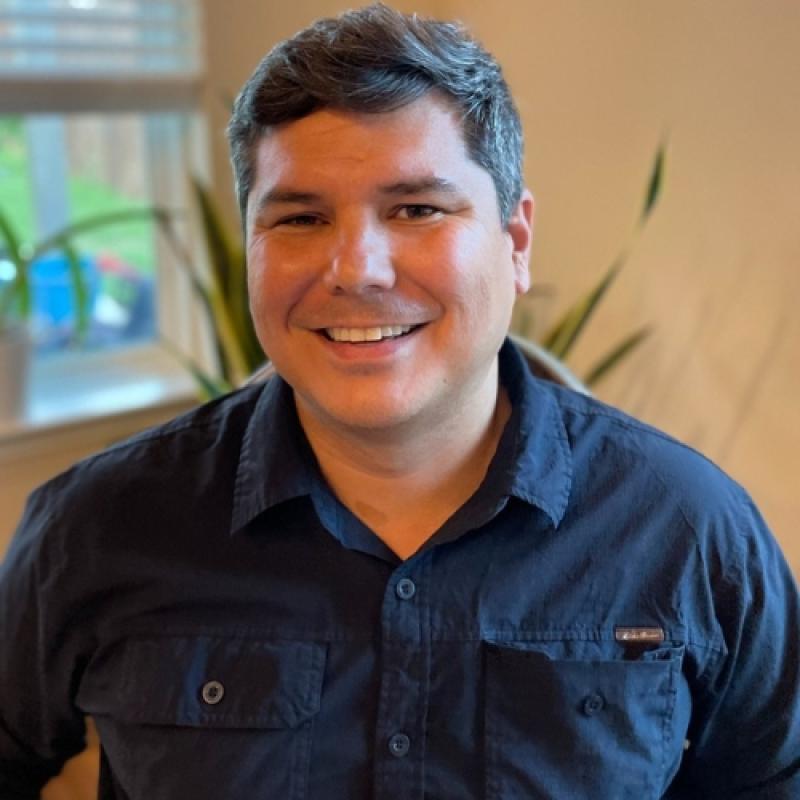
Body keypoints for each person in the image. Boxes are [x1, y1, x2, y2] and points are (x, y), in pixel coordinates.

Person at [1, 4, 798, 798]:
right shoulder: (99, 526)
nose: (357, 269)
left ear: (515, 243)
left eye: (416, 209)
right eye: (300, 217)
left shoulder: (689, 530)